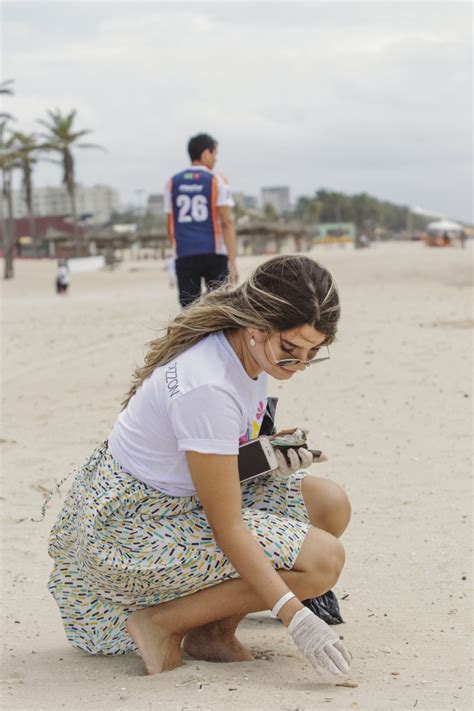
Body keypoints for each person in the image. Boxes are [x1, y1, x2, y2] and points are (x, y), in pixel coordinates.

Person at [47, 255, 352, 682]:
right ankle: (161, 624)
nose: (298, 366)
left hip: (171, 497)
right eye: (290, 351)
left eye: (311, 354)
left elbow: (204, 456)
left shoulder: (243, 347)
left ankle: (212, 631)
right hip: (133, 528)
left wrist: (267, 452)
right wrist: (294, 616)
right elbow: (226, 528)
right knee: (322, 562)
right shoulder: (207, 386)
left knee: (329, 505)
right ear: (257, 327)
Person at [165, 132, 238, 308]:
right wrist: (233, 261)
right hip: (214, 252)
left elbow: (170, 222)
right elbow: (226, 222)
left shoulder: (172, 182)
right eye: (215, 154)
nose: (216, 159)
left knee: (189, 311)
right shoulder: (217, 180)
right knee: (219, 309)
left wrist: (177, 249)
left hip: (184, 253)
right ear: (206, 153)